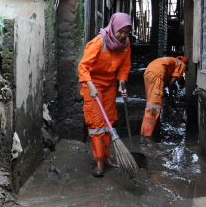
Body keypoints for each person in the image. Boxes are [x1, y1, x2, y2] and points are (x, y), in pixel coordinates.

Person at [78, 13, 131, 177]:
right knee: (96, 124)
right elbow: (83, 66)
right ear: (114, 27)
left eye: (126, 32)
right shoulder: (99, 43)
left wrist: (122, 82)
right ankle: (99, 161)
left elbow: (124, 65)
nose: (123, 36)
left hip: (109, 85)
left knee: (109, 121)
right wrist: (90, 85)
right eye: (120, 31)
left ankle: (107, 157)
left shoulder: (125, 45)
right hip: (92, 84)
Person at [141, 56, 188, 140]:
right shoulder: (182, 64)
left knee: (151, 103)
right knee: (154, 105)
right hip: (157, 74)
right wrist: (170, 97)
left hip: (148, 73)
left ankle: (155, 130)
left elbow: (162, 85)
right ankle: (150, 134)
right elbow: (171, 83)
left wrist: (165, 94)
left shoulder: (171, 62)